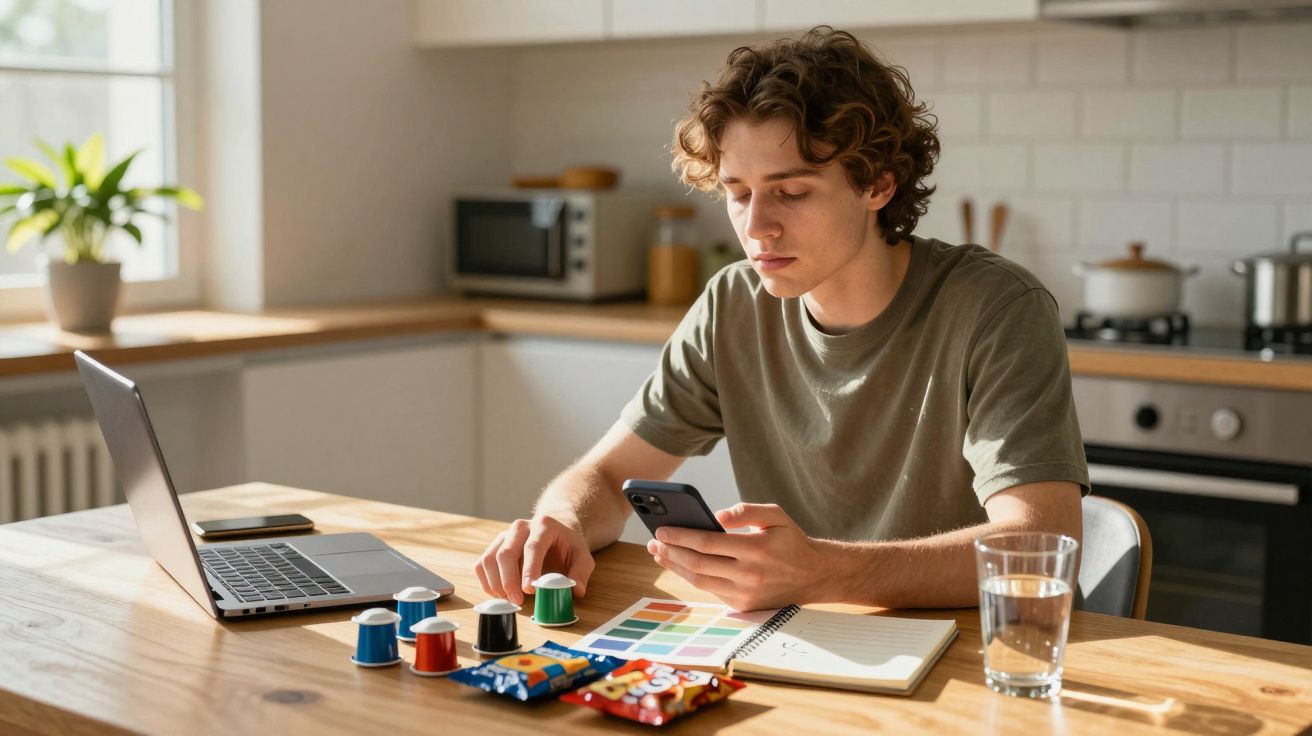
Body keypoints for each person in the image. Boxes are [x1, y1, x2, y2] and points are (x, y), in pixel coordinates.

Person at [475, 26, 1087, 613]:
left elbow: (1038, 547)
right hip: (804, 636)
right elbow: (609, 478)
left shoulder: (996, 307)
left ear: (877, 184)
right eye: (738, 193)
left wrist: (825, 572)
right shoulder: (732, 304)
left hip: (986, 646)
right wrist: (561, 522)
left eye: (791, 192)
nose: (756, 227)